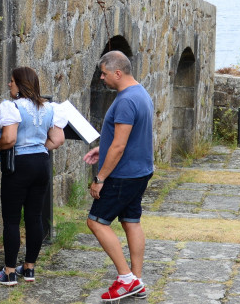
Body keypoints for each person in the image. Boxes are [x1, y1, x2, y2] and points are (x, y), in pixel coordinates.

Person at [83, 50, 154, 301]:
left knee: (96, 222)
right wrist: (100, 149)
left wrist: (100, 178)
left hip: (123, 175)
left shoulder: (125, 101)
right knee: (131, 221)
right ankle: (136, 281)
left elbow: (120, 146)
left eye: (103, 73)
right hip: (140, 171)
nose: (101, 78)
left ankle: (125, 278)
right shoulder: (140, 92)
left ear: (117, 72)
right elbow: (124, 139)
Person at [0, 67, 66, 286]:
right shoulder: (50, 107)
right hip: (41, 164)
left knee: (11, 220)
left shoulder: (11, 106)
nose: (9, 85)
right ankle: (29, 268)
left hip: (18, 166)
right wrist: (40, 147)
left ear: (21, 84)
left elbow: (10, 138)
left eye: (11, 81)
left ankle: (10, 272)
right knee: (33, 217)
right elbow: (58, 140)